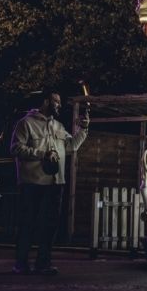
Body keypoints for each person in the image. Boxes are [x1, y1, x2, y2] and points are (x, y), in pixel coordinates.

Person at [10, 89, 89, 275]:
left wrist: (83, 130)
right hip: (32, 182)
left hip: (55, 183)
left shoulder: (59, 126)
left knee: (50, 225)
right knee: (27, 224)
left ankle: (43, 263)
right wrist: (41, 154)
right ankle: (21, 264)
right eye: (56, 101)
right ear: (45, 102)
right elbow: (15, 148)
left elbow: (72, 146)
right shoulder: (26, 124)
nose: (59, 105)